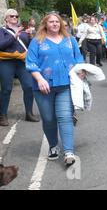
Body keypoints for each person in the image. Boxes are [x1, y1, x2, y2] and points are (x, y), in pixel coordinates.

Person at [25, 13, 85, 166]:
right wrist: (39, 79)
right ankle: (53, 146)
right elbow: (31, 63)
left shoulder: (70, 40)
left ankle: (69, 152)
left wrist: (81, 70)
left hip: (65, 85)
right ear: (45, 24)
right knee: (49, 119)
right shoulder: (37, 41)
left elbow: (78, 58)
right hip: (43, 87)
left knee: (65, 117)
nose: (54, 24)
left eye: (57, 21)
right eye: (51, 22)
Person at [0, 9, 40, 126]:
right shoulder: (2, 31)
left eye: (16, 16)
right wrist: (14, 36)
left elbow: (30, 47)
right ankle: (2, 115)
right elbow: (1, 45)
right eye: (11, 16)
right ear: (6, 18)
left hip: (22, 62)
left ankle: (29, 113)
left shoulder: (23, 32)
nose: (14, 18)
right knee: (6, 89)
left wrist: (31, 37)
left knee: (29, 86)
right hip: (6, 62)